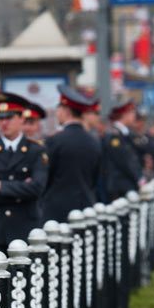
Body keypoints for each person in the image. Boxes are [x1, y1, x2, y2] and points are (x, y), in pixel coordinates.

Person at [0, 90, 48, 257]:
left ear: (21, 119)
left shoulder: (36, 150)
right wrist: (20, 188)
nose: (4, 123)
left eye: (9, 117)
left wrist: (0, 185)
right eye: (0, 118)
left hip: (24, 228)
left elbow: (37, 188)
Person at [41, 84, 103, 224]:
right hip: (85, 207)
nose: (57, 113)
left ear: (66, 111)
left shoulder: (54, 141)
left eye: (59, 108)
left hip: (56, 212)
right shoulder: (94, 142)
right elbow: (95, 177)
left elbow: (46, 176)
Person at [101, 99, 144, 201]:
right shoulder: (114, 136)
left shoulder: (124, 133)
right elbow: (124, 161)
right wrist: (139, 178)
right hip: (119, 187)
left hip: (126, 185)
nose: (134, 116)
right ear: (124, 114)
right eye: (132, 112)